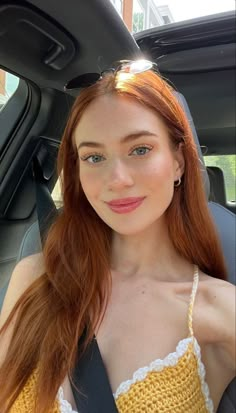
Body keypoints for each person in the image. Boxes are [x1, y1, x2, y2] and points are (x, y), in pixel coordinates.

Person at [0, 60, 235, 413]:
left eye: (140, 149)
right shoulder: (37, 278)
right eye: (94, 157)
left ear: (178, 162)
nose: (117, 179)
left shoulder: (219, 310)